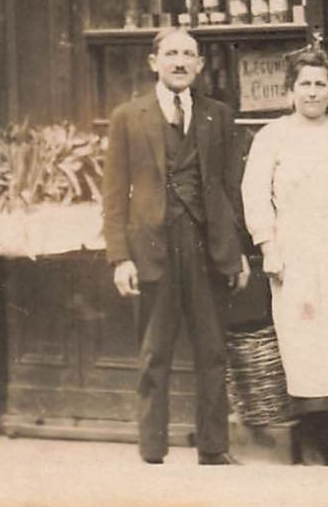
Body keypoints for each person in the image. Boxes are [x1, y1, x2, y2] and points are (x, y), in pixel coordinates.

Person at [102, 27, 249, 466]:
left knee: (212, 352)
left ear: (200, 64)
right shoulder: (128, 116)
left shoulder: (217, 115)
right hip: (153, 249)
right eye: (171, 54)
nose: (180, 62)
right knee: (154, 354)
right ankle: (151, 451)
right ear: (154, 62)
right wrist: (119, 257)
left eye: (189, 54)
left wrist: (236, 250)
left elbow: (228, 188)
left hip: (207, 248)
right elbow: (113, 194)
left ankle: (213, 448)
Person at [241, 47, 328, 465]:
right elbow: (255, 195)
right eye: (305, 84)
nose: (313, 92)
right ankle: (317, 439)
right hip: (294, 247)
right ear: (290, 91)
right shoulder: (272, 137)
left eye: (320, 84)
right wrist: (268, 246)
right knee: (305, 341)